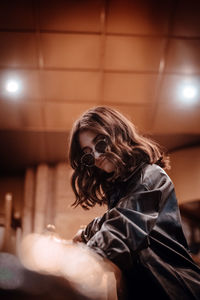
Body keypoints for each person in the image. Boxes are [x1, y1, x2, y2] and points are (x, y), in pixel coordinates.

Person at [68, 106, 200, 300]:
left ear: (119, 135)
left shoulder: (149, 175)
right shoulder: (122, 188)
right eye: (88, 154)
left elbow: (122, 227)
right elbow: (114, 218)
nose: (96, 156)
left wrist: (72, 263)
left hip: (174, 290)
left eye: (101, 144)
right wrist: (85, 233)